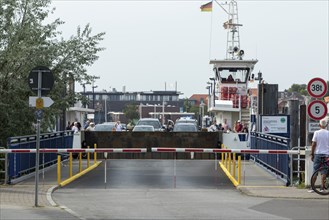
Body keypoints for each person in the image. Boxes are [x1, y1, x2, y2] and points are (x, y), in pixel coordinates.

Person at [308, 118, 329, 193]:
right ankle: (322, 188)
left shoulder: (316, 133)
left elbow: (313, 144)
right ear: (326, 125)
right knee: (324, 171)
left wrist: (312, 153)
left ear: (319, 125)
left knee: (315, 171)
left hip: (318, 154)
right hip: (326, 155)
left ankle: (312, 188)